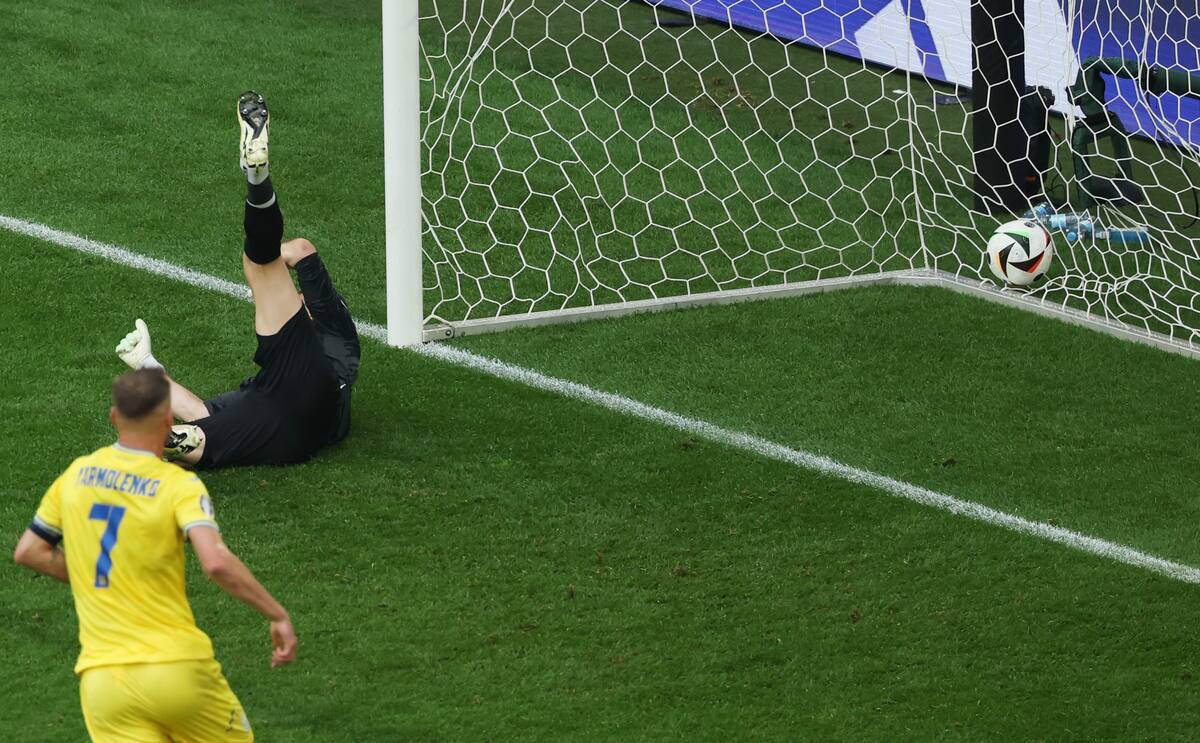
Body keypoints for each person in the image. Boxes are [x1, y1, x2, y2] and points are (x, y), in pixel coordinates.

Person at [12, 367, 297, 742]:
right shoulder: (178, 484)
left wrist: (91, 574)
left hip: (103, 683)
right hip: (176, 670)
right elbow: (215, 561)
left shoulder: (76, 475)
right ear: (168, 419)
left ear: (114, 417)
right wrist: (276, 614)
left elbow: (30, 551)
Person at [115, 90, 361, 469]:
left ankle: (258, 178)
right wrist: (146, 365)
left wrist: (262, 271)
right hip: (299, 412)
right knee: (202, 438)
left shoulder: (313, 334)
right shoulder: (332, 321)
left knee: (259, 263)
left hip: (289, 420)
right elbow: (300, 249)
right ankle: (160, 438)